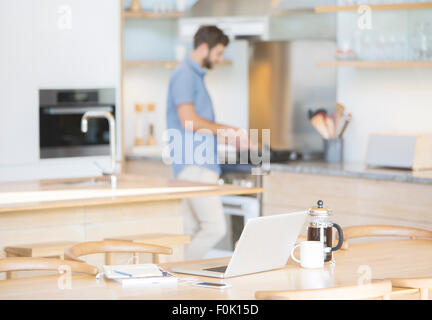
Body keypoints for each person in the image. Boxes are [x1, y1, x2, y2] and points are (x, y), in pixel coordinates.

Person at [166, 25, 249, 260]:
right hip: (196, 166)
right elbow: (189, 121)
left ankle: (179, 286)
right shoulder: (185, 75)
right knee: (214, 228)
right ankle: (176, 274)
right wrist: (230, 130)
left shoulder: (192, 75)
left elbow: (197, 125)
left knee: (190, 230)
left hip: (191, 164)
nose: (220, 59)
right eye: (218, 53)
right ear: (204, 47)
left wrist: (226, 137)